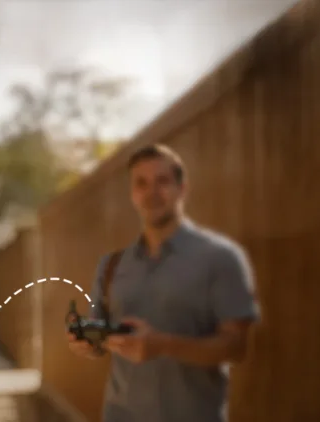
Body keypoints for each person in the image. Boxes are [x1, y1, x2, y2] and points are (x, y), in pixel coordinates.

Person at [66, 144, 259, 422]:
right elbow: (101, 340)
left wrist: (164, 345)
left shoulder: (221, 258)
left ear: (182, 188)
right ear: (132, 194)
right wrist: (86, 342)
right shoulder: (111, 266)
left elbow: (236, 347)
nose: (151, 192)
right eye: (141, 183)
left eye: (162, 181)